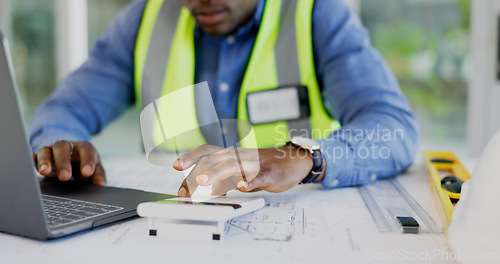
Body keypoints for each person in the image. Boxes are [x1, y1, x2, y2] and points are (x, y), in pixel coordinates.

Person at [30, 0, 419, 197]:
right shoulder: (145, 19)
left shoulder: (316, 14)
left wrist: (305, 155)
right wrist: (62, 148)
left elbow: (393, 128)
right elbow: (65, 109)